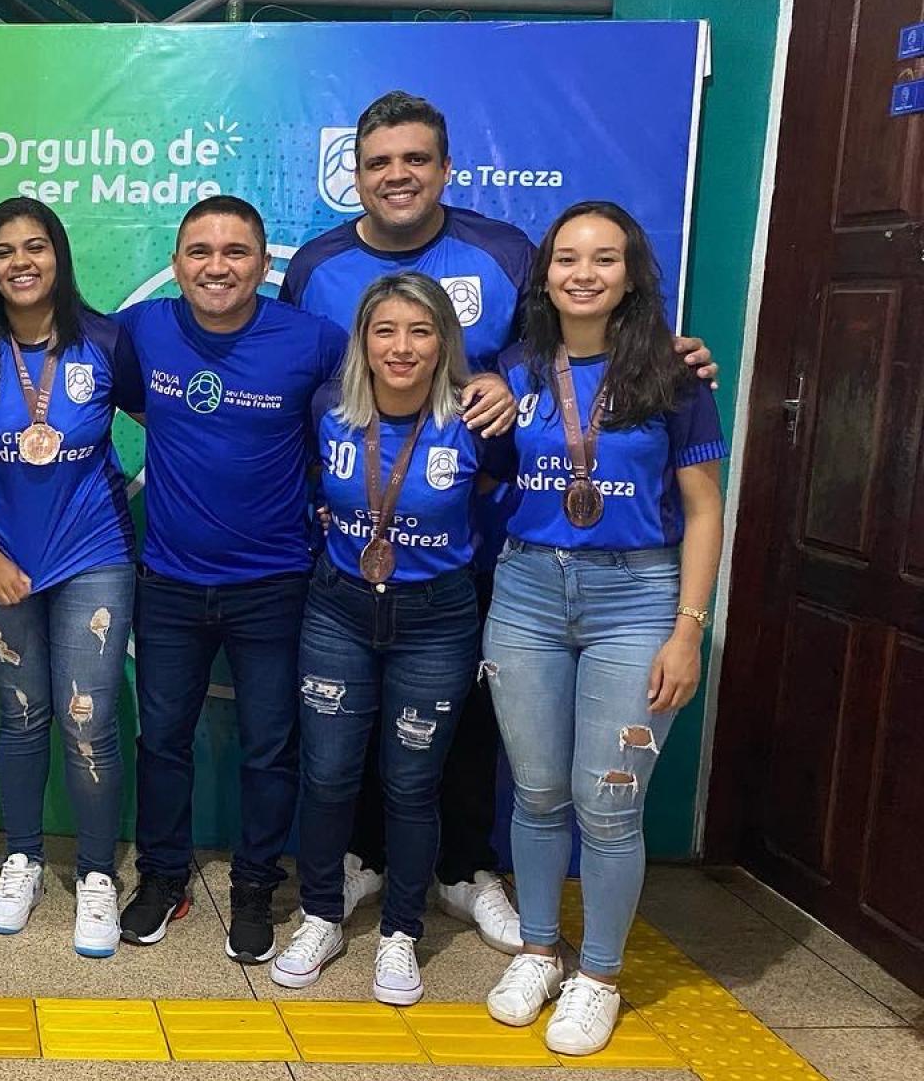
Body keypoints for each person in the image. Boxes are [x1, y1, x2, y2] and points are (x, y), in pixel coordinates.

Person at [284, 90, 717, 952]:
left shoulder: (503, 250)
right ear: (354, 177)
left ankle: (461, 871)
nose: (397, 175)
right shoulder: (316, 264)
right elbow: (311, 382)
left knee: (470, 721)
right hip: (364, 529)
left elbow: (556, 350)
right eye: (378, 163)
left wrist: (666, 354)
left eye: (415, 159)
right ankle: (365, 862)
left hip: (484, 529)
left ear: (447, 168)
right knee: (354, 727)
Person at [116, 195, 512, 965]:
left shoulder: (316, 341)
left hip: (277, 583)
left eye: (236, 251)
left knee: (272, 749)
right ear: (175, 263)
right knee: (162, 740)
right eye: (199, 250)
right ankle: (163, 877)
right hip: (166, 580)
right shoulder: (145, 331)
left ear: (266, 266)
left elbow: (387, 393)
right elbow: (68, 344)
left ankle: (258, 886)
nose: (217, 265)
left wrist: (502, 382)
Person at [481, 201, 725, 1055]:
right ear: (544, 273)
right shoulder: (515, 368)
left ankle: (600, 975)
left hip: (639, 598)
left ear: (631, 274)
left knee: (609, 804)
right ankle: (541, 950)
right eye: (567, 258)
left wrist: (689, 630)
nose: (584, 273)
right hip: (526, 593)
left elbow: (703, 509)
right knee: (539, 791)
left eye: (605, 259)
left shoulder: (672, 373)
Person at [271, 273, 495, 1005]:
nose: (401, 348)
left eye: (420, 331)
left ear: (444, 343)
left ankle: (401, 932)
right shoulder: (328, 410)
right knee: (329, 775)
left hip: (436, 618)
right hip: (338, 611)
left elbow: (503, 494)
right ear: (362, 340)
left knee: (411, 784)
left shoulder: (476, 420)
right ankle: (321, 915)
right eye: (386, 331)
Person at [0, 196, 144, 958]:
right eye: (3, 251)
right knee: (22, 716)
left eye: (36, 247)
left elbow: (173, 428)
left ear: (59, 257)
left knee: (87, 719)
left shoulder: (108, 343)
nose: (21, 262)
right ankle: (19, 856)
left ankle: (93, 876)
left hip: (94, 555)